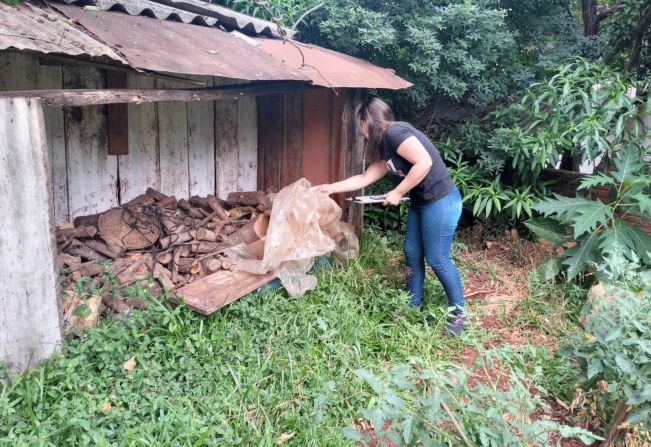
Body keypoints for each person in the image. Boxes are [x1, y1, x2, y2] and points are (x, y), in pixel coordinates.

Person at [316, 97, 466, 335]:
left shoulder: (395, 132)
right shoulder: (385, 146)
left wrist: (397, 192)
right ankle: (411, 306)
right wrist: (330, 187)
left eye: (361, 126)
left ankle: (459, 315)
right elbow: (365, 178)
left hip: (441, 201)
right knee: (412, 253)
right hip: (422, 203)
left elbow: (424, 163)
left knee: (437, 258)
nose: (361, 132)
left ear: (368, 120)